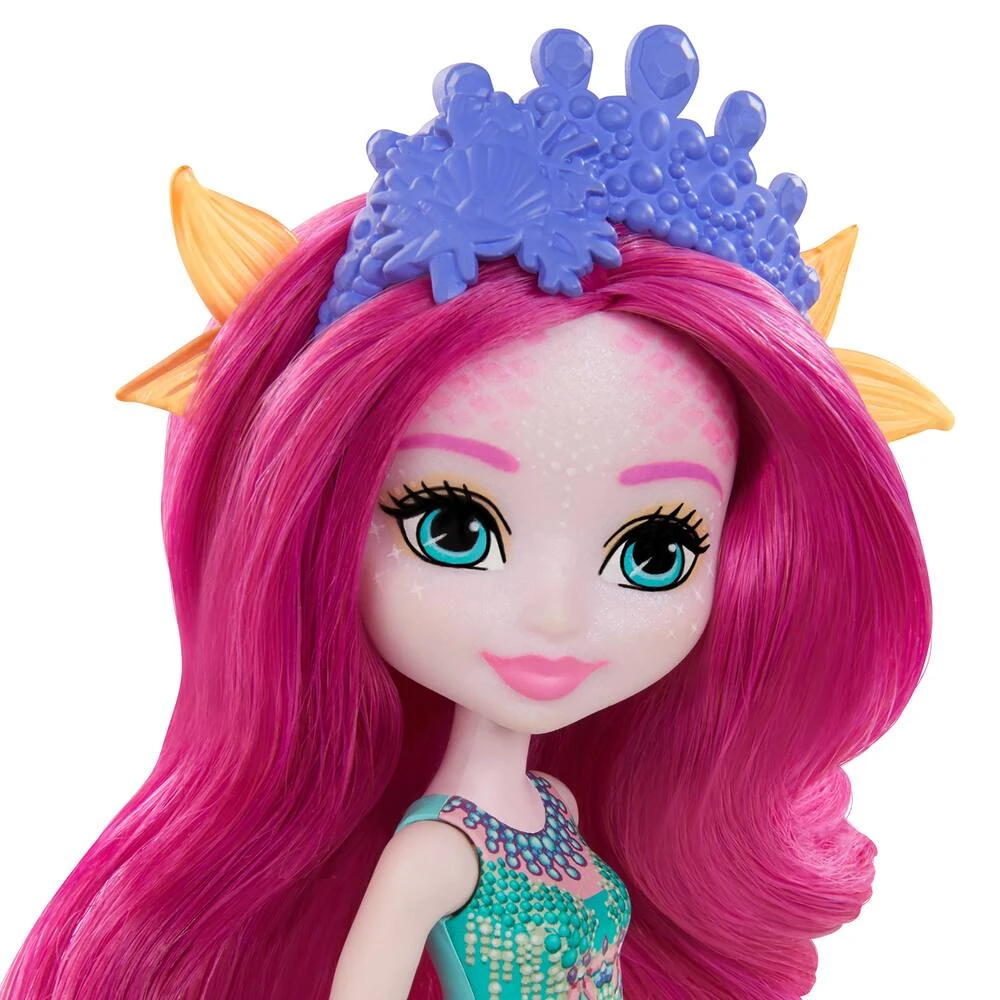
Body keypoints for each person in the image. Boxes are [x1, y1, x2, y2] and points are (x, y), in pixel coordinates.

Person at [1, 23, 953, 1000]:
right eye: (452, 530)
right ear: (320, 521)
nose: (555, 614)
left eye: (656, 550)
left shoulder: (557, 805)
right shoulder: (435, 853)